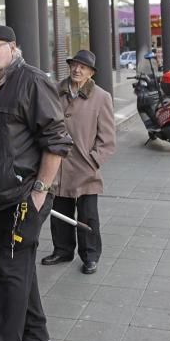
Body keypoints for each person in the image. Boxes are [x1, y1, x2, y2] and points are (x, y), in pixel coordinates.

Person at [0, 25, 73, 341]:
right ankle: (36, 332)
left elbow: (57, 141)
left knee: (10, 275)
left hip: (23, 198)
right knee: (17, 267)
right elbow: (4, 139)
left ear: (13, 47)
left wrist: (39, 191)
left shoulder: (32, 81)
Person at [41, 49, 115, 275]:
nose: (77, 69)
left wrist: (93, 161)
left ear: (91, 73)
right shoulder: (55, 91)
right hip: (58, 165)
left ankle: (90, 255)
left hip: (85, 168)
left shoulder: (101, 97)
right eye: (74, 65)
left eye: (83, 67)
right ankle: (63, 250)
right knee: (59, 212)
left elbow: (108, 139)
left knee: (88, 216)